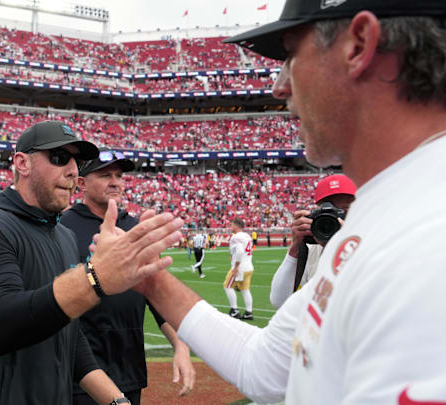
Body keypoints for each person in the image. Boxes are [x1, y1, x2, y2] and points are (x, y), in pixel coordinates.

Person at [127, 2, 446, 403]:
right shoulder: (382, 214)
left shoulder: (426, 237)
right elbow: (264, 366)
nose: (279, 85)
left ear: (359, 45)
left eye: (291, 55)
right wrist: (148, 277)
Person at [0, 121, 183, 404]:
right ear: (22, 163)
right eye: (58, 157)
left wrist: (116, 401)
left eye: (76, 161)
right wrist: (95, 278)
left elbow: (70, 337)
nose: (72, 169)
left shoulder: (63, 236)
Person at [60, 150, 195, 405]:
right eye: (105, 175)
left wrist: (181, 346)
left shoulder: (134, 226)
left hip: (129, 367)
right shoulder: (63, 228)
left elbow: (156, 296)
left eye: (119, 175)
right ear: (82, 183)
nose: (115, 182)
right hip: (80, 374)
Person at [270, 174, 356, 309]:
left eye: (343, 211)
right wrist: (295, 250)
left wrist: (344, 244)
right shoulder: (313, 247)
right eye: (328, 211)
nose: (334, 218)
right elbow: (279, 301)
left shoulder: (372, 244)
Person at [223, 219, 255, 320]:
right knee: (245, 290)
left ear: (236, 226)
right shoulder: (247, 236)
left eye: (232, 224)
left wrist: (236, 266)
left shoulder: (236, 237)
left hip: (240, 267)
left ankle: (234, 310)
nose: (230, 226)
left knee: (227, 286)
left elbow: (240, 251)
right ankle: (249, 312)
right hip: (249, 266)